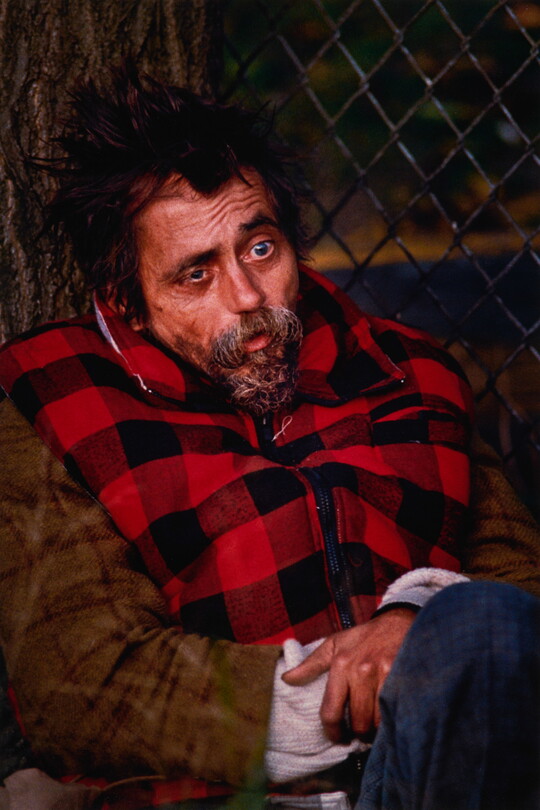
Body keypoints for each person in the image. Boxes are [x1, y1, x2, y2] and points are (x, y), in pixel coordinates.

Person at [0, 67, 538, 810]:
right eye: (196, 274)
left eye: (259, 249)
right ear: (126, 301)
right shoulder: (52, 402)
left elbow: (518, 598)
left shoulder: (411, 371)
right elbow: (85, 683)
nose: (249, 301)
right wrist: (380, 691)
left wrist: (419, 616)